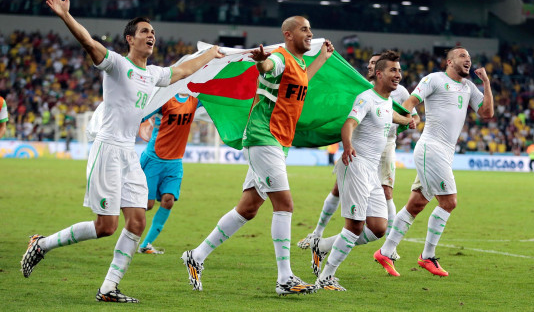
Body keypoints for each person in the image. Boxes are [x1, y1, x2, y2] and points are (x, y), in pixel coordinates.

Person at [20, 0, 224, 303]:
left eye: (153, 32)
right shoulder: (116, 63)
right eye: (145, 31)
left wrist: (211, 53)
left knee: (138, 220)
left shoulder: (154, 74)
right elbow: (88, 41)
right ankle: (41, 244)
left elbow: (183, 70)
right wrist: (65, 15)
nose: (151, 35)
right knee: (105, 227)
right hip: (107, 148)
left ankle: (108, 288)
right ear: (130, 39)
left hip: (129, 152)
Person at [181, 16, 334, 295]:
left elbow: (302, 80)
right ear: (288, 35)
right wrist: (261, 60)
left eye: (311, 28)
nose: (310, 33)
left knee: (248, 208)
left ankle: (196, 256)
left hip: (278, 141)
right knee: (284, 204)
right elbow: (268, 67)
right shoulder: (278, 58)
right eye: (304, 29)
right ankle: (285, 278)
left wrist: (322, 58)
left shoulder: (298, 64)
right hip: (264, 137)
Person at [374, 46, 493, 277]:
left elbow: (486, 113)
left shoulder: (469, 87)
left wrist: (486, 83)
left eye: (469, 56)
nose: (468, 59)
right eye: (462, 56)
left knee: (416, 204)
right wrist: (403, 119)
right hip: (431, 149)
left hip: (444, 154)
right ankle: (427, 256)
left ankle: (385, 252)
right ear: (449, 61)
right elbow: (410, 102)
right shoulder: (434, 80)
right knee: (449, 202)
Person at [298, 52, 420, 261]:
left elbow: (401, 113)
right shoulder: (363, 90)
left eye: (376, 63)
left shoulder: (397, 92)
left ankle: (389, 243)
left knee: (386, 194)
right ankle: (319, 241)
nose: (371, 66)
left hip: (385, 146)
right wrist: (347, 144)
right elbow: (351, 118)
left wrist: (409, 120)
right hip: (359, 151)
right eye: (370, 63)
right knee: (344, 201)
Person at [137, 93, 201, 254]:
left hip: (175, 162)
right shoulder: (164, 99)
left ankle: (146, 244)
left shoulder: (195, 100)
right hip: (154, 159)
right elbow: (141, 114)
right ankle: (118, 212)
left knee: (168, 201)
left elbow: (219, 98)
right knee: (148, 205)